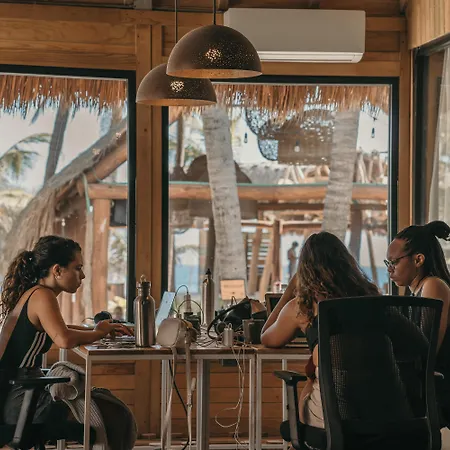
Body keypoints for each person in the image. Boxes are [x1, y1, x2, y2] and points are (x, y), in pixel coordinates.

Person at [0, 235, 132, 429]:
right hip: (20, 401)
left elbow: (61, 328)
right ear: (57, 270)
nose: (83, 276)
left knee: (105, 404)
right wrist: (98, 333)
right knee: (112, 412)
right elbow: (64, 339)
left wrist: (98, 329)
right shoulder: (42, 296)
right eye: (78, 268)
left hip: (18, 393)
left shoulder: (34, 292)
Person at [261, 231, 380, 430]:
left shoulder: (304, 306)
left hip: (333, 417)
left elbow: (267, 337)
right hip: (383, 412)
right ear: (347, 263)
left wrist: (289, 291)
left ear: (304, 270)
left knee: (311, 385)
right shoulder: (374, 300)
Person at [386, 220, 450, 425]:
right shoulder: (417, 292)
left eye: (394, 262)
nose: (390, 270)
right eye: (388, 263)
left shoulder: (433, 285)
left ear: (418, 259)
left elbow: (426, 352)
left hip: (441, 387)